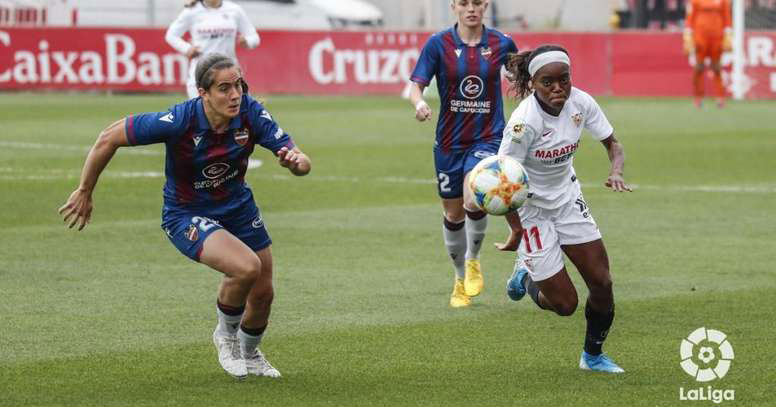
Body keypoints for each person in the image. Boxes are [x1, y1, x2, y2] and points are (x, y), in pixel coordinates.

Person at [58, 54, 311, 379]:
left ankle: (250, 355)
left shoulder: (251, 113)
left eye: (238, 85)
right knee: (246, 268)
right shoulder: (179, 120)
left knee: (264, 293)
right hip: (186, 213)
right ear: (203, 93)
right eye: (224, 88)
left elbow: (301, 161)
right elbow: (109, 137)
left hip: (238, 207)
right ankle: (225, 337)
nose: (235, 95)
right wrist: (84, 190)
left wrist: (295, 163)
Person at [496, 45, 630, 373]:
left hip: (568, 199)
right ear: (532, 83)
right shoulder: (523, 123)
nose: (558, 88)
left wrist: (616, 171)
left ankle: (593, 356)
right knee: (565, 305)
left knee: (602, 283)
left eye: (564, 80)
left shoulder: (581, 102)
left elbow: (613, 143)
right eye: (548, 82)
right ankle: (525, 276)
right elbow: (502, 180)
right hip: (531, 210)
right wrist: (516, 228)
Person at [408, 0, 517, 308]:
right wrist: (419, 104)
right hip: (448, 142)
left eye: (478, 3)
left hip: (488, 136)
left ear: (486, 6)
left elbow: (518, 76)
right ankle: (458, 279)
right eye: (465, 3)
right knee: (453, 214)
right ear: (454, 6)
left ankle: (473, 260)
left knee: (474, 197)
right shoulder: (438, 43)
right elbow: (416, 85)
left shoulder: (501, 42)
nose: (472, 8)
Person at [166, 0, 260, 98]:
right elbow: (171, 35)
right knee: (200, 111)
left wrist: (247, 42)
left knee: (242, 110)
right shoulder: (191, 11)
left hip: (230, 72)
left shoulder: (234, 9)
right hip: (201, 72)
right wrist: (187, 48)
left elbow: (254, 37)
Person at [683, 0, 732, 108]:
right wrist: (687, 34)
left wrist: (728, 34)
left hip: (717, 37)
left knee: (717, 68)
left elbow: (727, 16)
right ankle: (698, 98)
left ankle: (720, 98)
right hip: (700, 37)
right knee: (699, 67)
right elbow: (690, 16)